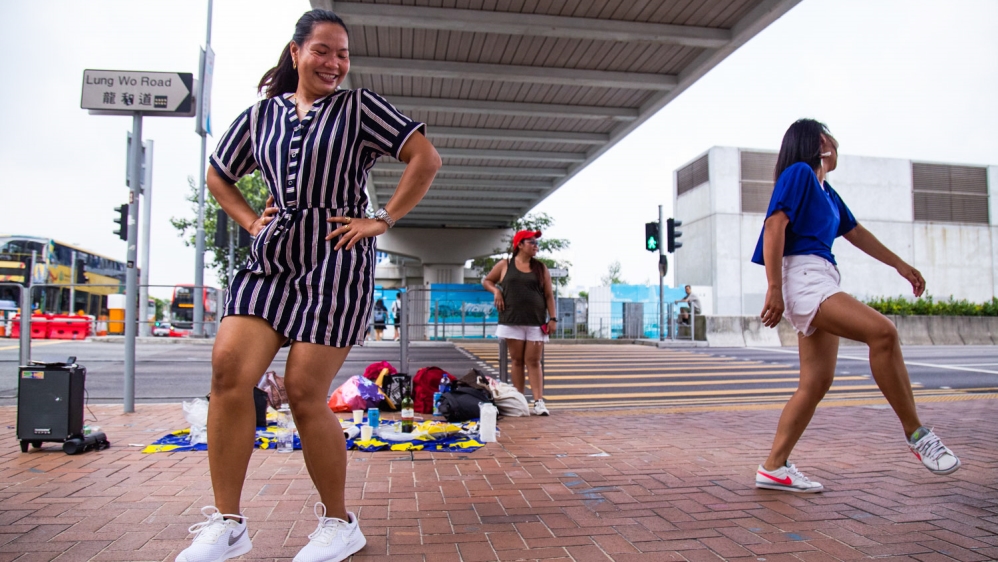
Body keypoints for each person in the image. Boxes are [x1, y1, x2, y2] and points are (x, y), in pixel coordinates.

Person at [177, 9, 440, 562]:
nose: (335, 62)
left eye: (342, 54)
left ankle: (340, 525)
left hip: (336, 260)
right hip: (270, 258)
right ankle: (228, 525)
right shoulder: (260, 116)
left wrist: (382, 219)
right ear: (296, 52)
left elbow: (425, 158)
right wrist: (251, 221)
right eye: (323, 50)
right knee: (228, 371)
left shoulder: (360, 107)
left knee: (302, 391)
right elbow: (218, 175)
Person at [751, 119, 959, 493]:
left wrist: (900, 264)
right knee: (882, 333)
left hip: (822, 277)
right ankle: (918, 434)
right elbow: (773, 226)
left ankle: (773, 467)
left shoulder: (827, 192)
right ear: (818, 143)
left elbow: (856, 232)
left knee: (815, 383)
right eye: (829, 136)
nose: (835, 143)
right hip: (804, 277)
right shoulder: (798, 173)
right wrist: (774, 288)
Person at [482, 230, 556, 416]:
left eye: (536, 242)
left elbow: (548, 295)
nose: (535, 245)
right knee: (516, 361)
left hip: (536, 321)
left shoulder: (541, 268)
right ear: (519, 245)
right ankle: (520, 401)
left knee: (533, 361)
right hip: (511, 319)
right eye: (531, 242)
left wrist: (552, 318)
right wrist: (497, 291)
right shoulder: (505, 265)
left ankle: (539, 402)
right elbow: (487, 281)